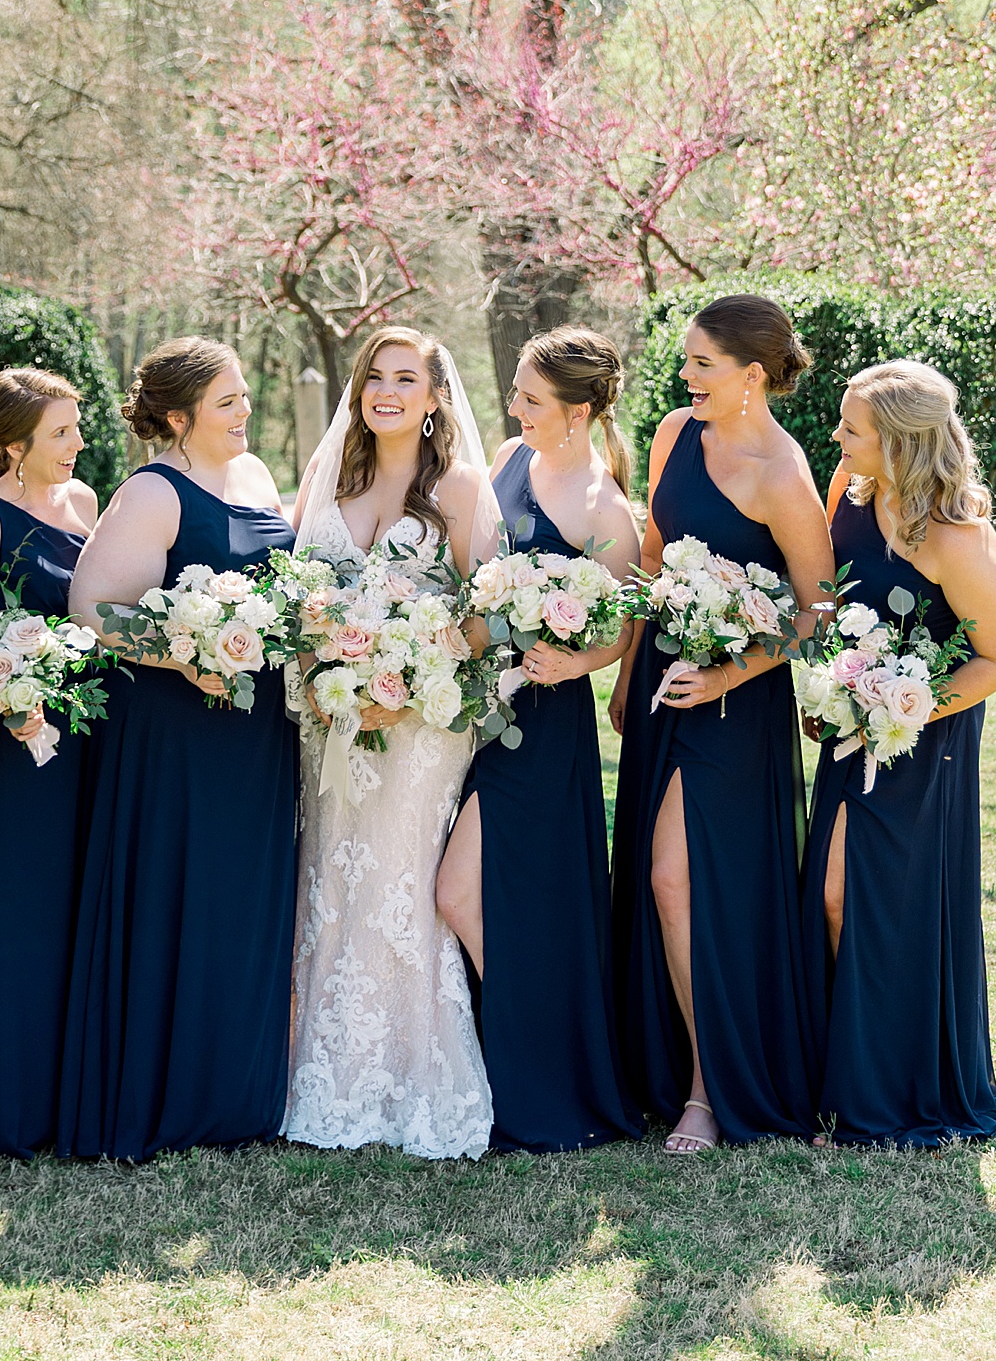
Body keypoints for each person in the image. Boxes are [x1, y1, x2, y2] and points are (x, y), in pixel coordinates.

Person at [57, 340, 296, 1160]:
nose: (244, 411)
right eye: (227, 402)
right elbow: (93, 608)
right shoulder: (153, 492)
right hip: (178, 732)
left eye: (243, 395)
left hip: (255, 731)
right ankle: (167, 1096)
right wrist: (186, 655)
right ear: (178, 417)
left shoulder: (254, 474)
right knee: (180, 898)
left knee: (241, 901)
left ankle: (237, 1096)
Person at [610, 295, 832, 1153]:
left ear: (753, 376)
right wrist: (629, 671)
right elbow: (654, 557)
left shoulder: (782, 473)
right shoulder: (674, 434)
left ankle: (710, 1091)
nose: (685, 376)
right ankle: (666, 1070)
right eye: (686, 360)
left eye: (702, 364)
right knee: (661, 879)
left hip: (736, 703)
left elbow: (818, 610)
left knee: (679, 879)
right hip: (662, 685)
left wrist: (727, 673)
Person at [285, 327, 498, 1161]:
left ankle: (412, 1075)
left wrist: (407, 681)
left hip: (423, 730)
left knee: (401, 887)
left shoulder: (460, 487)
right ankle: (321, 1072)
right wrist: (327, 673)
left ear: (437, 396)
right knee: (331, 881)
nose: (386, 391)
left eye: (406, 379)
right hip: (333, 724)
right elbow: (298, 600)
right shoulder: (329, 475)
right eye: (375, 376)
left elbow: (486, 615)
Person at [803, 361, 996, 1145]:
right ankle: (847, 1077)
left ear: (900, 441)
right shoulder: (849, 492)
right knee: (832, 896)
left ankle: (894, 1091)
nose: (836, 436)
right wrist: (831, 688)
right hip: (850, 726)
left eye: (852, 428)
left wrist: (905, 710)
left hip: (923, 745)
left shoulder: (957, 538)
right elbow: (835, 605)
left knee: (881, 905)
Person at [436, 327, 643, 1150]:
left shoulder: (605, 508)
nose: (514, 406)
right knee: (496, 897)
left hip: (542, 719)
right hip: (476, 704)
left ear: (578, 411)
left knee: (461, 894)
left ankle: (542, 1065)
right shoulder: (510, 458)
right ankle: (519, 1060)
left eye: (530, 397)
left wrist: (573, 661)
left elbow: (622, 629)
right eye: (516, 392)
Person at [0, 367, 99, 1157]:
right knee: (13, 913)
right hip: (13, 750)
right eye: (60, 433)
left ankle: (67, 1092)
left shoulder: (86, 503)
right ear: (14, 443)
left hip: (88, 738)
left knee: (74, 907)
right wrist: (3, 696)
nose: (77, 444)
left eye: (76, 427)